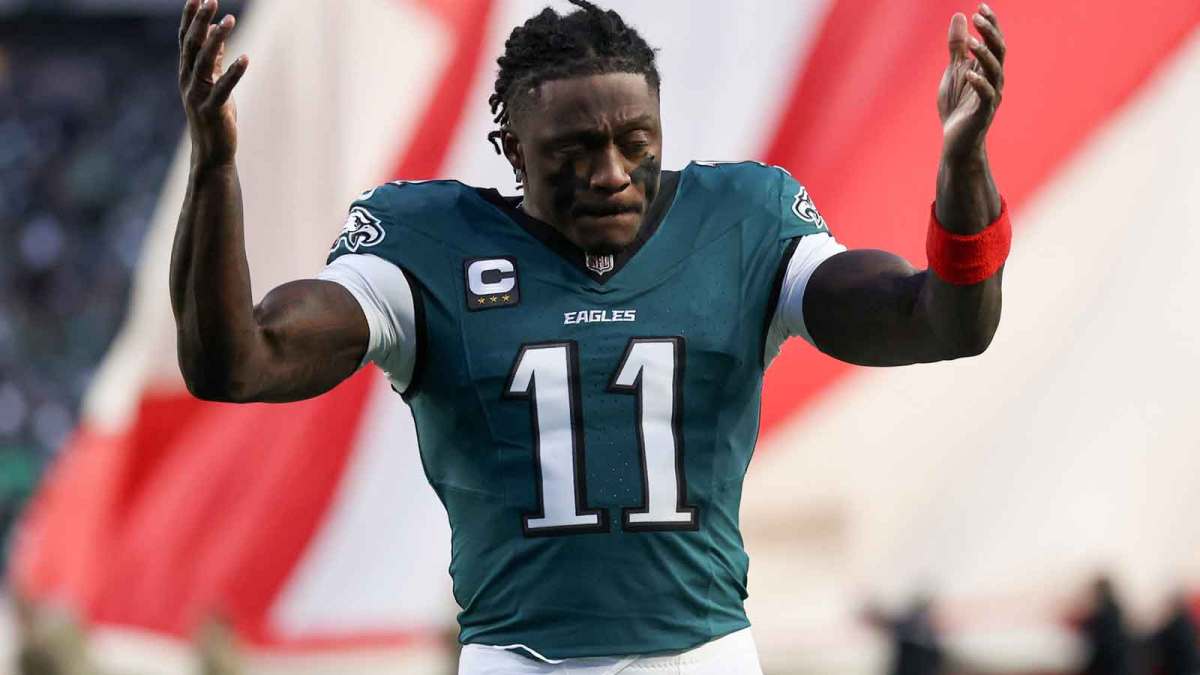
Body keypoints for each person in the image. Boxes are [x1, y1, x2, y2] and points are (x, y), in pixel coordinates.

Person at [171, 0, 1008, 671]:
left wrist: (963, 166)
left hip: (703, 654)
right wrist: (214, 170)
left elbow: (937, 320)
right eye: (574, 150)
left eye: (634, 143)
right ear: (512, 149)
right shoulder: (427, 242)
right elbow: (238, 363)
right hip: (518, 658)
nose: (611, 172)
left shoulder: (742, 221)